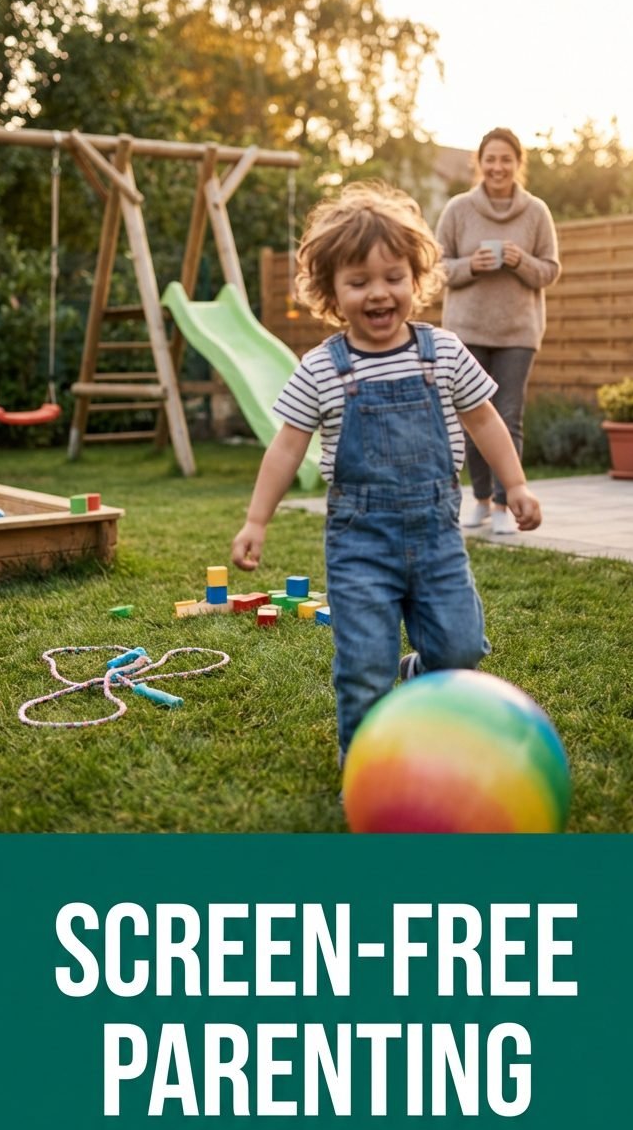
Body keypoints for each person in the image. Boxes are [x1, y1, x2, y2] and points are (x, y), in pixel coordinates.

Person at [231, 180, 541, 769]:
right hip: (359, 546)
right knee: (363, 668)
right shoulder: (322, 368)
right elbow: (287, 445)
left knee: (461, 647)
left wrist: (516, 484)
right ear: (330, 291)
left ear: (416, 278)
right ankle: (364, 765)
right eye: (359, 281)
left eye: (393, 277)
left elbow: (485, 420)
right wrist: (256, 519)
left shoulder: (444, 351)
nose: (379, 293)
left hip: (436, 537)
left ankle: (420, 673)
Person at [436, 127, 560, 533]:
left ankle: (507, 506)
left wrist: (521, 260)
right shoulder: (457, 209)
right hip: (466, 333)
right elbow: (436, 270)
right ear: (479, 162)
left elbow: (550, 271)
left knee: (508, 417)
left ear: (518, 164)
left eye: (506, 159)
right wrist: (472, 265)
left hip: (517, 334)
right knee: (471, 420)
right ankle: (481, 499)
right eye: (490, 158)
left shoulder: (536, 212)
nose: (498, 166)